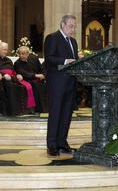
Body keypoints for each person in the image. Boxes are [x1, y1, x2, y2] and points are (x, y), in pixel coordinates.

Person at [44, 14, 83, 156]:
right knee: (55, 113)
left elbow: (74, 60)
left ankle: (62, 143)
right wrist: (67, 61)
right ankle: (52, 144)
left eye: (74, 27)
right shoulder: (52, 38)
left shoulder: (73, 41)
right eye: (70, 26)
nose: (72, 29)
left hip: (70, 82)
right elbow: (49, 59)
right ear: (62, 24)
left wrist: (79, 60)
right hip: (57, 82)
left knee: (67, 113)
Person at [0, 42, 36, 114]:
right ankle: (13, 110)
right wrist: (3, 75)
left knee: (23, 86)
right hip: (2, 79)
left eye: (6, 50)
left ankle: (26, 110)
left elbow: (13, 70)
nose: (6, 52)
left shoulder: (8, 60)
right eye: (4, 50)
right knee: (11, 86)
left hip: (12, 78)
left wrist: (17, 75)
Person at [14, 46, 48, 113]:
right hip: (28, 80)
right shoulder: (17, 63)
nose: (21, 56)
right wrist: (36, 75)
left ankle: (46, 108)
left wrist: (44, 75)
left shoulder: (34, 58)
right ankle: (38, 108)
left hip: (39, 79)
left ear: (28, 54)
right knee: (35, 85)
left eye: (23, 54)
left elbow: (41, 68)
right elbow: (24, 73)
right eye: (20, 54)